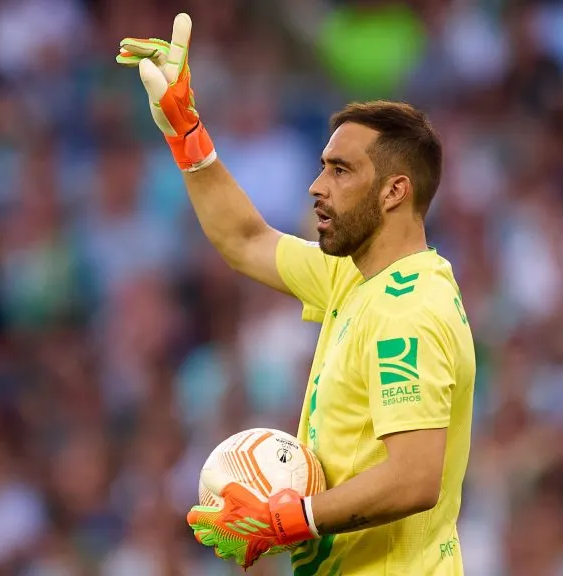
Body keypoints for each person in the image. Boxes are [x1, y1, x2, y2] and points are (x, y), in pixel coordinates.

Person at [117, 14, 475, 575]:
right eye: (321, 168)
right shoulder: (354, 276)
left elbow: (415, 477)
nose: (316, 186)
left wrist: (289, 518)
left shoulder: (407, 309)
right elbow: (246, 240)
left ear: (394, 192)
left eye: (340, 171)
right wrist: (187, 135)